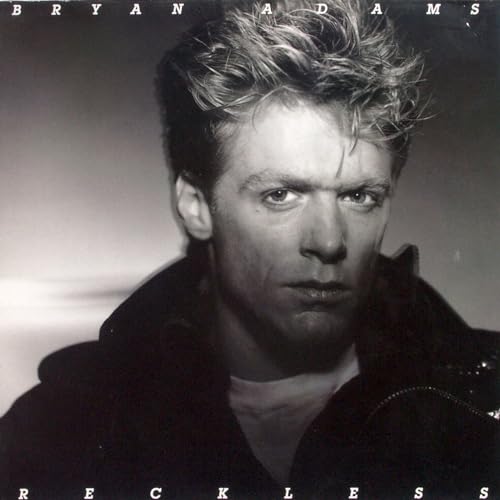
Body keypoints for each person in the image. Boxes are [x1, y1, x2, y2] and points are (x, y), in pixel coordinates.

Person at [1, 1, 498, 499]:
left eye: (358, 196)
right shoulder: (57, 435)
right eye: (280, 195)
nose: (328, 241)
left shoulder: (483, 410)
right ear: (196, 206)